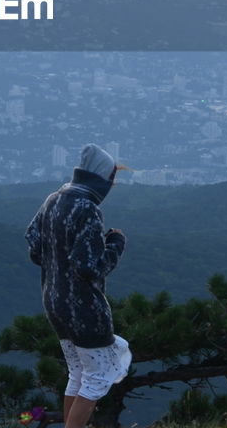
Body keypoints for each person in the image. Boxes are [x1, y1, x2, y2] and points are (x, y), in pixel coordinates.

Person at [25, 144, 131, 428]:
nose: (114, 182)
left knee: (78, 374)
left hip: (53, 301)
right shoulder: (87, 208)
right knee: (96, 379)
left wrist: (58, 257)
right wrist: (116, 245)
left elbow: (35, 248)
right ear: (101, 177)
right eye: (113, 176)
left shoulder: (54, 198)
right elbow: (90, 268)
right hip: (83, 307)